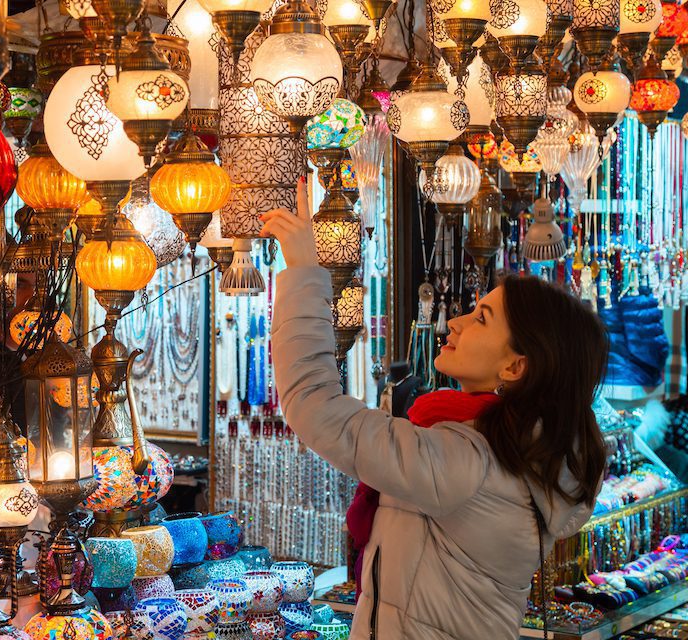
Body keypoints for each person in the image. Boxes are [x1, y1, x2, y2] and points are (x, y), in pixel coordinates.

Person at [260, 179, 608, 640]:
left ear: (515, 364)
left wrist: (305, 271)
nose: (458, 320)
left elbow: (315, 406)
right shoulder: (514, 451)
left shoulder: (467, 462)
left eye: (482, 317)